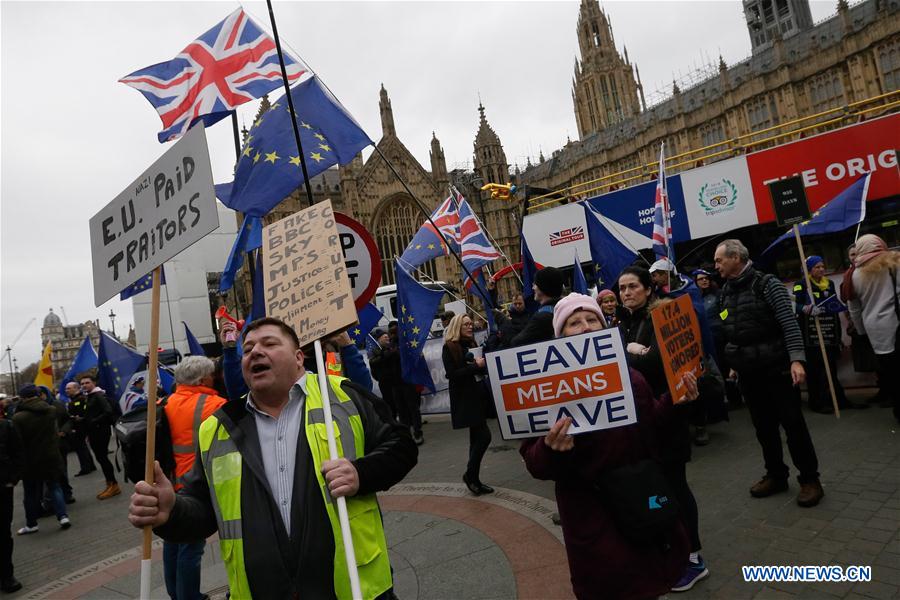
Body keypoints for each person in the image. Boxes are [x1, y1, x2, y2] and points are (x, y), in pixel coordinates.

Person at [128, 317, 417, 599]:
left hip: (353, 588)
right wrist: (172, 511)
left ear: (299, 358)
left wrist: (361, 473)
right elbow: (204, 509)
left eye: (269, 343)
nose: (255, 351)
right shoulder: (217, 427)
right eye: (248, 347)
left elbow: (402, 446)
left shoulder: (341, 397)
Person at [520, 293, 697, 599]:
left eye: (592, 320)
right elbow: (535, 462)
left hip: (642, 508)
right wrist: (551, 448)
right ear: (559, 336)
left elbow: (655, 427)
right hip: (595, 520)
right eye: (574, 323)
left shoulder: (632, 377)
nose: (586, 327)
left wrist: (677, 401)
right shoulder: (546, 391)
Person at [615, 266, 709, 591]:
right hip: (643, 422)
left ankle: (694, 558)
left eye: (632, 287)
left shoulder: (662, 316)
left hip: (669, 417)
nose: (626, 293)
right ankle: (672, 548)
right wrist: (632, 351)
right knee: (659, 492)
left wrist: (626, 354)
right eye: (622, 288)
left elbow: (658, 363)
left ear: (648, 289)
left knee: (676, 488)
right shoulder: (624, 322)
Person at [714, 239, 824, 507]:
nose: (715, 266)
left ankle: (810, 480)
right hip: (749, 373)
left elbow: (789, 324)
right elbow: (732, 331)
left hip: (777, 369)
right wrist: (734, 363)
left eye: (719, 260)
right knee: (764, 428)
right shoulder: (725, 292)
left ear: (736, 257)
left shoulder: (768, 284)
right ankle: (776, 475)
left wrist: (796, 360)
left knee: (793, 424)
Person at [162, 356, 228, 600]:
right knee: (192, 546)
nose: (215, 378)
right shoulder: (215, 404)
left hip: (170, 483)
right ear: (203, 379)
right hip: (197, 483)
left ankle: (175, 593)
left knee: (172, 541)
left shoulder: (166, 402)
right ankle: (189, 597)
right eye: (212, 374)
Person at [793, 256, 864, 413]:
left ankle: (840, 400)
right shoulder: (801, 285)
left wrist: (837, 336)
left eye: (822, 266)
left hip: (829, 331)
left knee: (831, 369)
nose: (821, 269)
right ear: (809, 270)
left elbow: (833, 305)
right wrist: (805, 308)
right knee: (814, 371)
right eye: (817, 267)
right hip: (811, 334)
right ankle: (817, 402)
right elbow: (793, 304)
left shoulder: (829, 284)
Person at [846, 234, 900, 421]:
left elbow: (854, 309)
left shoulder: (854, 274)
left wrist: (861, 331)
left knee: (890, 372)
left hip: (875, 331)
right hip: (896, 324)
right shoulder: (893, 263)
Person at [443, 314, 493, 495]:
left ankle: (474, 479)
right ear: (457, 326)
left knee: (476, 439)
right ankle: (470, 475)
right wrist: (476, 366)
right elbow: (452, 374)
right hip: (465, 399)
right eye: (466, 324)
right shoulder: (449, 347)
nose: (470, 327)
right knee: (484, 437)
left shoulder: (471, 344)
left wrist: (483, 365)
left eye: (471, 324)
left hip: (478, 395)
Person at [12, 385, 70, 535]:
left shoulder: (19, 417)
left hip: (30, 460)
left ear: (23, 397)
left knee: (30, 493)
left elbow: (17, 442)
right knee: (55, 487)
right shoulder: (50, 410)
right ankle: (63, 516)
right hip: (51, 456)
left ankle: (31, 524)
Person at [79, 374, 120, 500]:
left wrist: (94, 421)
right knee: (101, 458)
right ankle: (110, 484)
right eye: (82, 383)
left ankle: (113, 485)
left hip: (100, 431)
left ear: (94, 383)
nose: (84, 385)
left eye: (87, 382)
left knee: (102, 458)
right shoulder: (90, 396)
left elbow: (108, 411)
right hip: (94, 431)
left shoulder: (98, 395)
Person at [0, 399, 23, 593]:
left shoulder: (6, 426)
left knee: (3, 534)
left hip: (2, 488)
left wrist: (13, 479)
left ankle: (7, 575)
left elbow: (18, 454)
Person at [511, 267, 564, 346]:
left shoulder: (542, 317)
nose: (533, 288)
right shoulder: (564, 308)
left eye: (535, 284)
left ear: (543, 287)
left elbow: (516, 343)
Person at [64, 381, 97, 476]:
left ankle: (85, 467)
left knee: (80, 448)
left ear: (76, 388)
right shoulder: (73, 400)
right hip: (78, 426)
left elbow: (85, 412)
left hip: (80, 427)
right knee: (83, 447)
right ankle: (90, 465)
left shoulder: (81, 399)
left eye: (69, 388)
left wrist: (78, 418)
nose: (66, 390)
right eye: (66, 388)